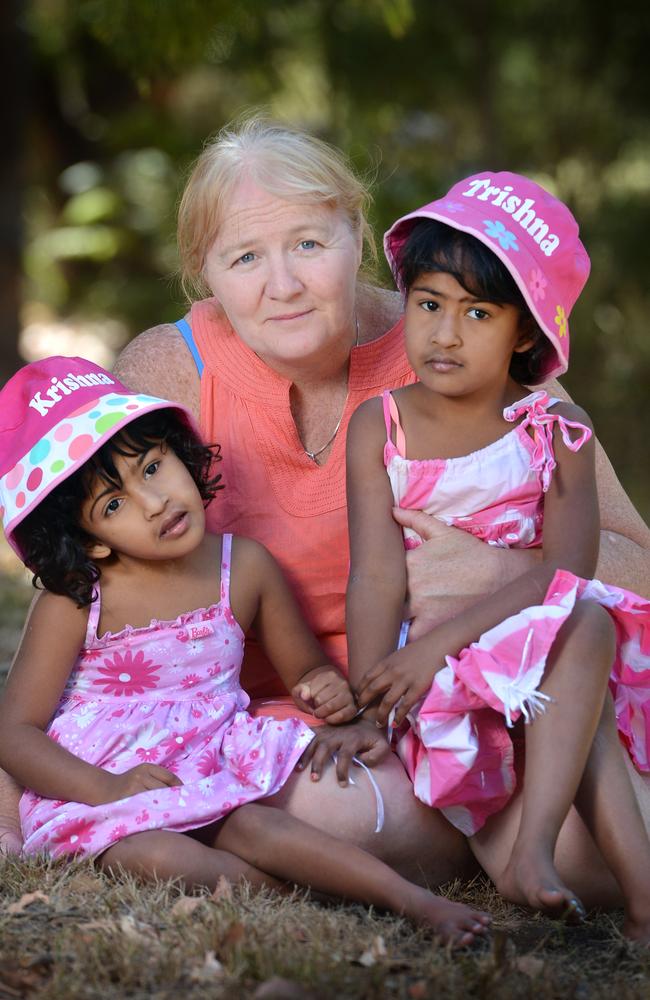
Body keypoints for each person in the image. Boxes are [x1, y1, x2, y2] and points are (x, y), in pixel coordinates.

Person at [1, 117, 649, 896]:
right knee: (333, 806)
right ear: (204, 272)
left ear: (357, 233)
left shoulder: (471, 334)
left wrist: (497, 570)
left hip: (483, 688)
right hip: (267, 735)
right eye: (245, 257)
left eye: (309, 244)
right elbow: (90, 577)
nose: (283, 285)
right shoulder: (168, 370)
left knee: (594, 859)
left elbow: (631, 561)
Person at [0, 356, 490, 945]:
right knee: (150, 855)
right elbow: (15, 731)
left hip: (210, 761)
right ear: (91, 544)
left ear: (180, 451)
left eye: (153, 466)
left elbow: (303, 667)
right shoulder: (78, 600)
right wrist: (107, 789)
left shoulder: (244, 566)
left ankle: (412, 902)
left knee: (259, 825)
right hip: (108, 781)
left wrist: (327, 688)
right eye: (113, 505)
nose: (154, 501)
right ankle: (312, 908)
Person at [347, 171, 650, 940]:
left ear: (523, 332)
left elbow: (566, 571)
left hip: (549, 648)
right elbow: (378, 575)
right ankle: (587, 875)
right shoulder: (379, 426)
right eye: (429, 305)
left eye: (477, 312)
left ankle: (546, 855)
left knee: (584, 624)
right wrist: (367, 698)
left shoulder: (559, 426)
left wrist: (440, 642)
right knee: (579, 644)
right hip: (447, 678)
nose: (444, 334)